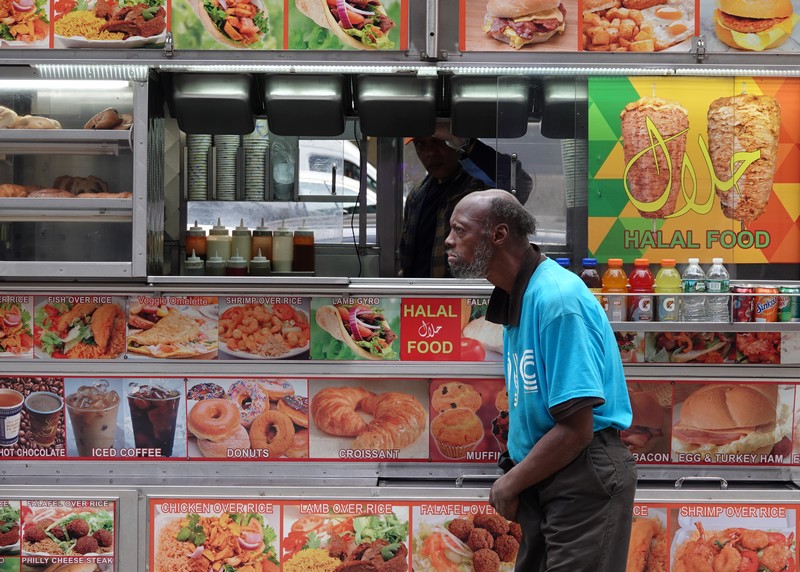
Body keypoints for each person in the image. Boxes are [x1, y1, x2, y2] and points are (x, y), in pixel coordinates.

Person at [445, 189, 637, 571]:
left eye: (459, 230)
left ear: (498, 234)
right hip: (548, 472)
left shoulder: (557, 300)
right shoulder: (517, 292)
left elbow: (576, 429)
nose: (448, 240)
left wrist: (510, 483)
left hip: (583, 474)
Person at [400, 121, 533, 278]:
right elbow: (408, 256)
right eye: (420, 145)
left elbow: (520, 183)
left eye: (439, 142)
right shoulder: (417, 195)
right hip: (420, 291)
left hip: (466, 290)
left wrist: (467, 144)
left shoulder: (479, 188)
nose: (430, 153)